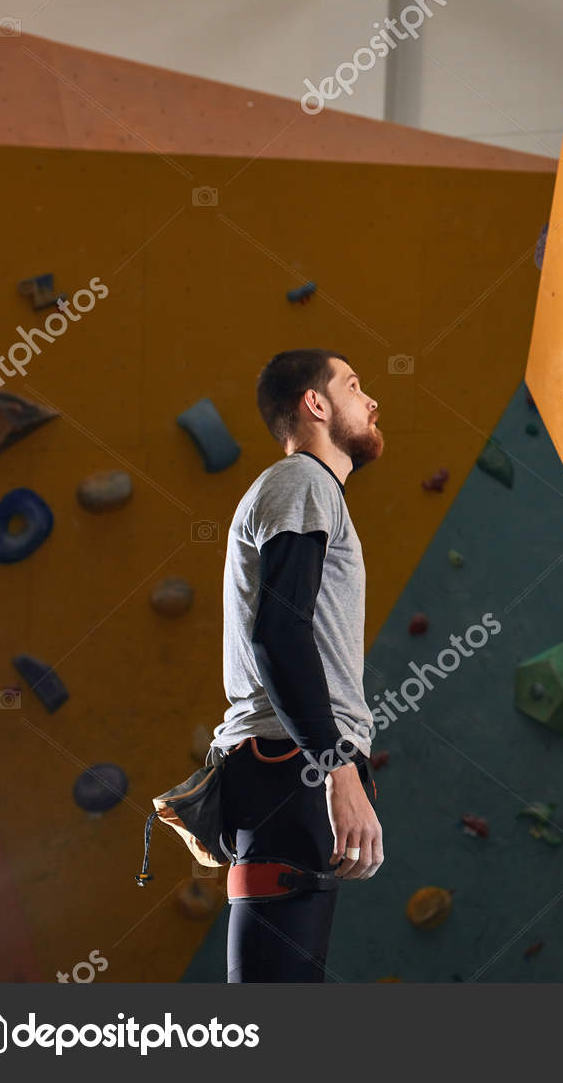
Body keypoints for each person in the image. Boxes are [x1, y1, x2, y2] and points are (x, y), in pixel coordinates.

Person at [206, 348, 385, 982]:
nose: (371, 401)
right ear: (315, 404)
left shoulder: (309, 492)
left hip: (289, 765)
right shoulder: (303, 482)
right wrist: (335, 768)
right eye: (355, 386)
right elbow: (279, 636)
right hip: (294, 766)